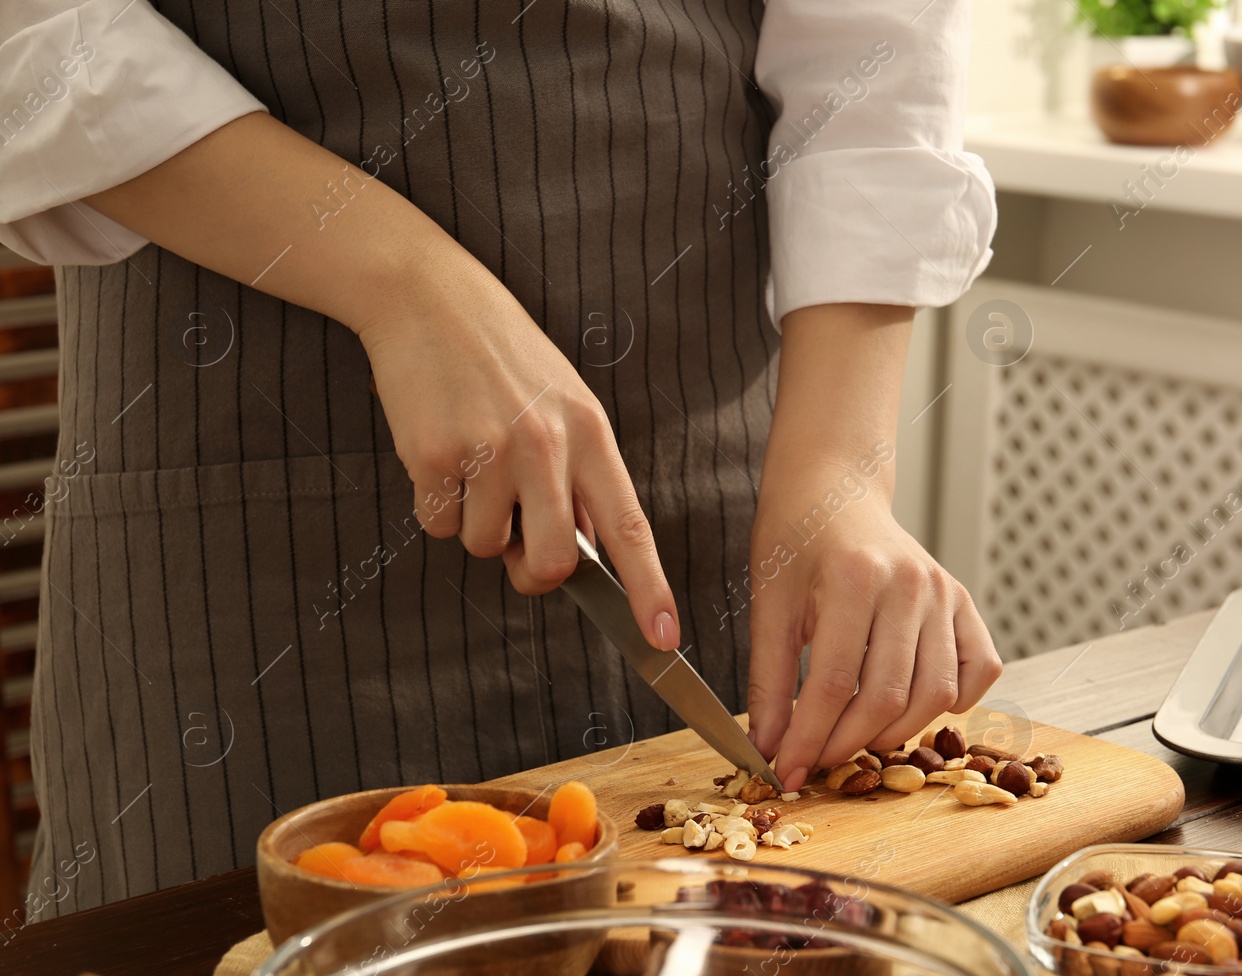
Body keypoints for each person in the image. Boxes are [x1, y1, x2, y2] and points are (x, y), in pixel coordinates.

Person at [0, 0, 1000, 918]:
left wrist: (838, 471)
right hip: (250, 545)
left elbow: (876, 61)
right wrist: (404, 283)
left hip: (712, 511)